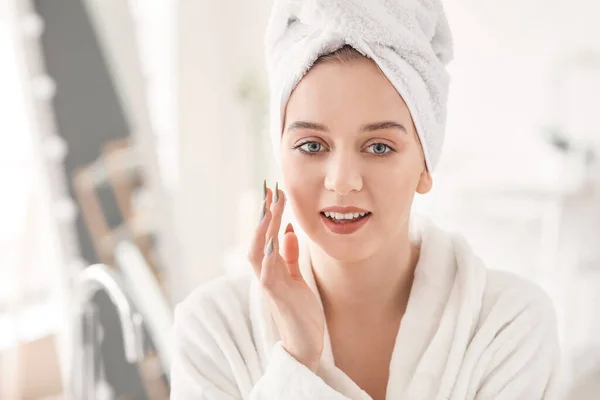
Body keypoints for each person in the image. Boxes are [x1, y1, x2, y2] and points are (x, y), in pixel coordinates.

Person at [170, 1, 561, 399]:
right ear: (280, 156)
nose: (342, 182)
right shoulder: (213, 333)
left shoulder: (508, 325)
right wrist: (296, 360)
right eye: (311, 145)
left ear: (425, 164)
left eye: (378, 147)